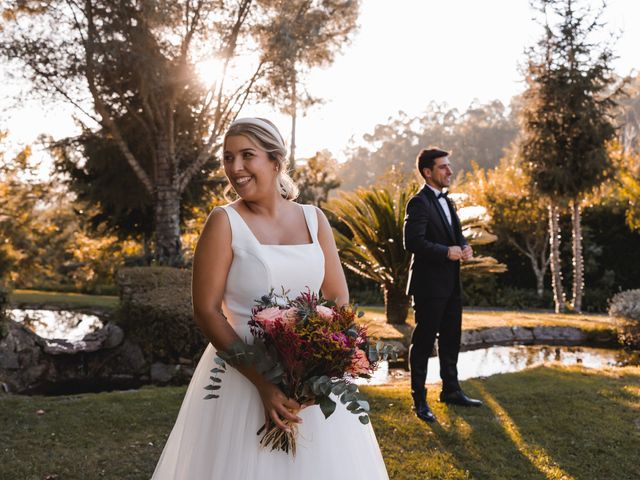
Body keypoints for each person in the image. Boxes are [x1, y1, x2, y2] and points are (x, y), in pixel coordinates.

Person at [151, 117, 388, 479]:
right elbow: (206, 311)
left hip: (312, 378)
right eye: (228, 158)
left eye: (247, 155)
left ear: (275, 160)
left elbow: (338, 296)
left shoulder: (314, 219)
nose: (236, 168)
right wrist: (264, 382)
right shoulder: (223, 222)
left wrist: (321, 367)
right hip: (244, 376)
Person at [403, 147, 483, 424]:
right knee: (424, 343)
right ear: (428, 172)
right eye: (443, 167)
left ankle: (451, 391)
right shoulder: (418, 202)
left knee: (451, 339)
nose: (449, 171)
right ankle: (420, 400)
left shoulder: (448, 203)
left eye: (449, 166)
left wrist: (464, 247)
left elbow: (456, 236)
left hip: (452, 284)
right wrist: (445, 252)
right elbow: (412, 242)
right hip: (428, 286)